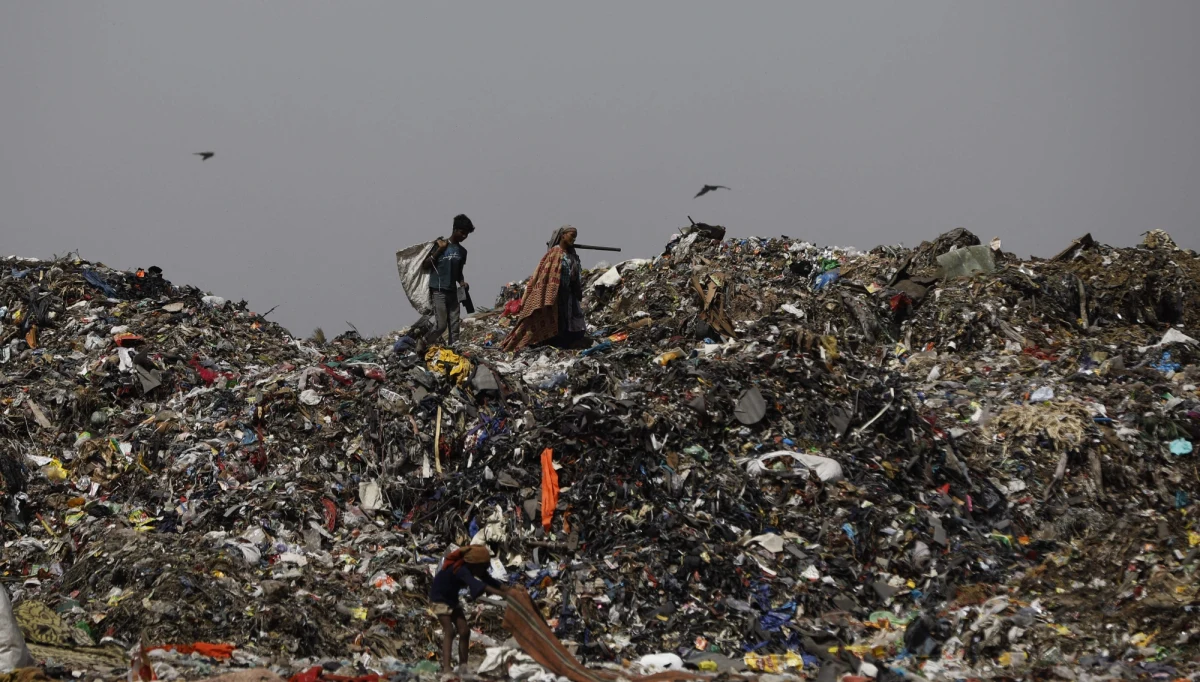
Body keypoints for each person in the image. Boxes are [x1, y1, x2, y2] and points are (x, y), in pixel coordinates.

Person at [500, 226, 588, 351]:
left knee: (569, 321)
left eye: (575, 237)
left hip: (568, 295)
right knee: (556, 320)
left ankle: (566, 344)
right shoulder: (554, 253)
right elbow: (542, 274)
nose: (574, 239)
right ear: (563, 236)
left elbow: (575, 276)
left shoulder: (572, 256)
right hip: (555, 294)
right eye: (572, 236)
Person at [429, 544, 507, 674]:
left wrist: (506, 589)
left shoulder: (472, 568)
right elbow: (479, 585)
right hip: (439, 598)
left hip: (451, 599)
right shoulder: (461, 570)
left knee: (464, 631)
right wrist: (503, 594)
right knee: (449, 631)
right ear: (474, 565)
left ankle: (463, 666)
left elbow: (488, 580)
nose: (484, 570)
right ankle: (447, 668)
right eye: (483, 567)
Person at [422, 215, 474, 350]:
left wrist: (462, 283)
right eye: (462, 232)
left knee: (455, 327)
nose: (464, 236)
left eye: (467, 234)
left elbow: (459, 272)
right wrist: (440, 250)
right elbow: (425, 265)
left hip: (453, 292)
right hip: (438, 290)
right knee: (441, 326)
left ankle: (453, 353)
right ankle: (422, 343)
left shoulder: (462, 252)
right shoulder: (439, 245)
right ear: (455, 229)